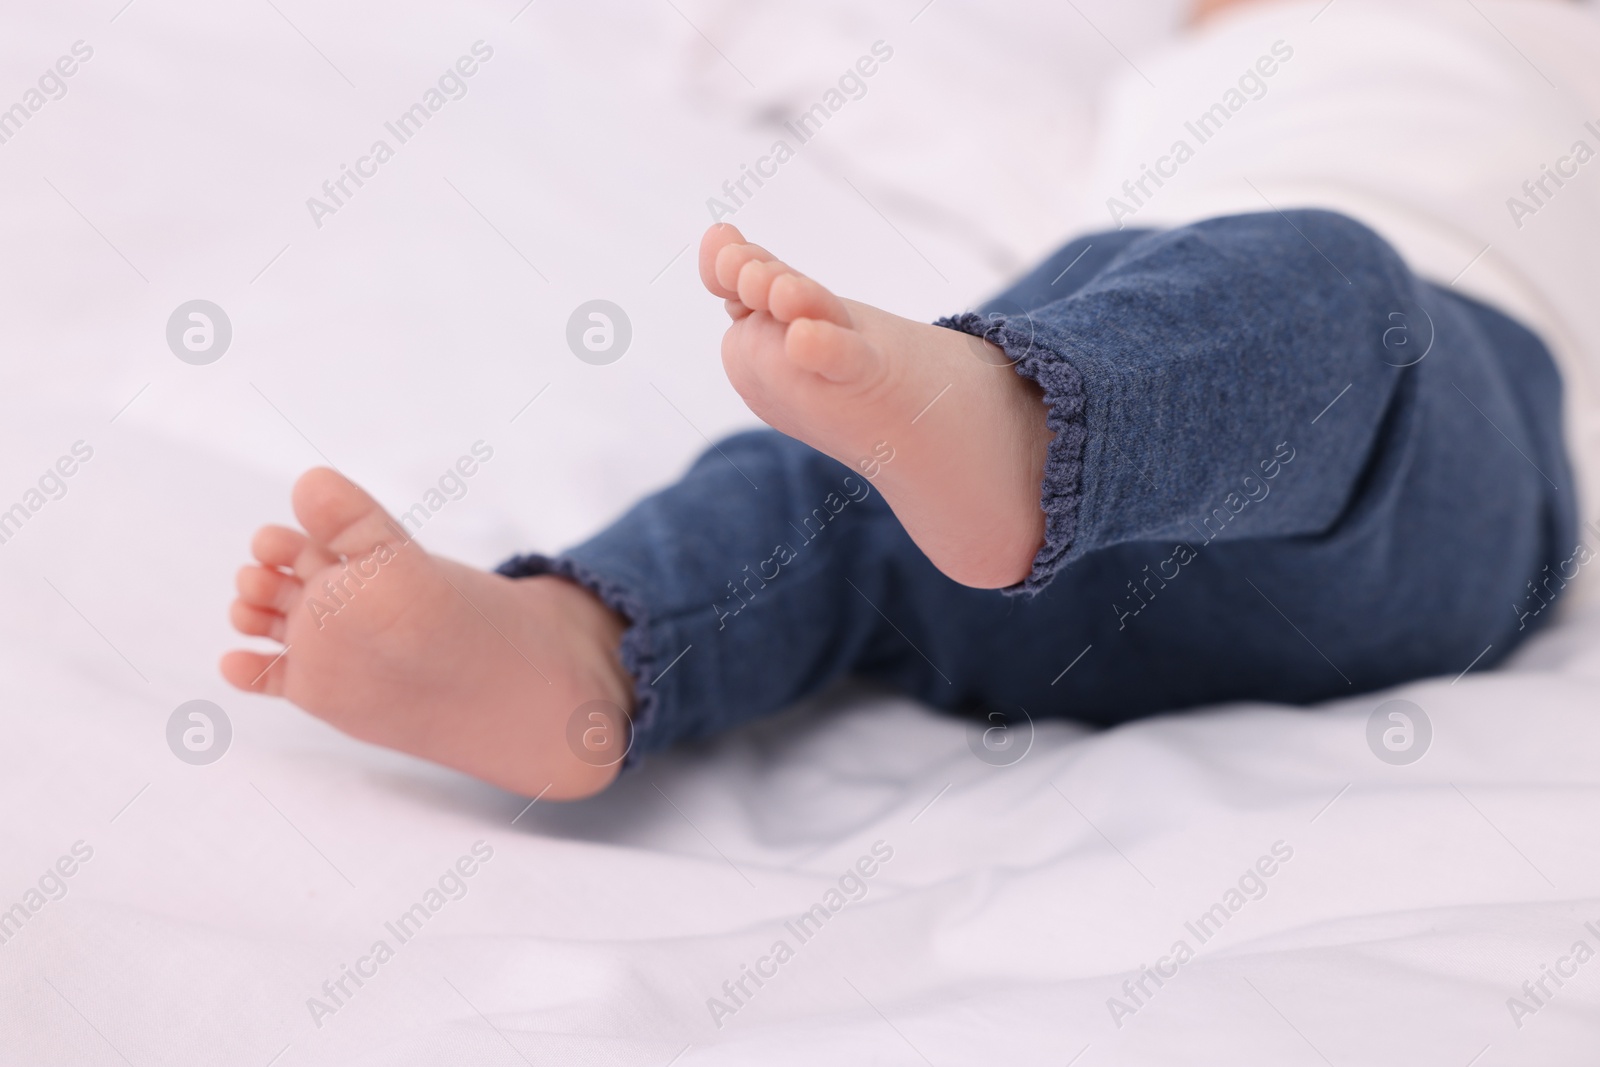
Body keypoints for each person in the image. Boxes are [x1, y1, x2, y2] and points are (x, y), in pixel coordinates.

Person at [219, 0, 1598, 800]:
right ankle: (573, 647)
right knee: (830, 476)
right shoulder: (1174, 81)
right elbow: (976, 131)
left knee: (1326, 284)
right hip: (1081, 520)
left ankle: (1026, 430)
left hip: (1428, 444)